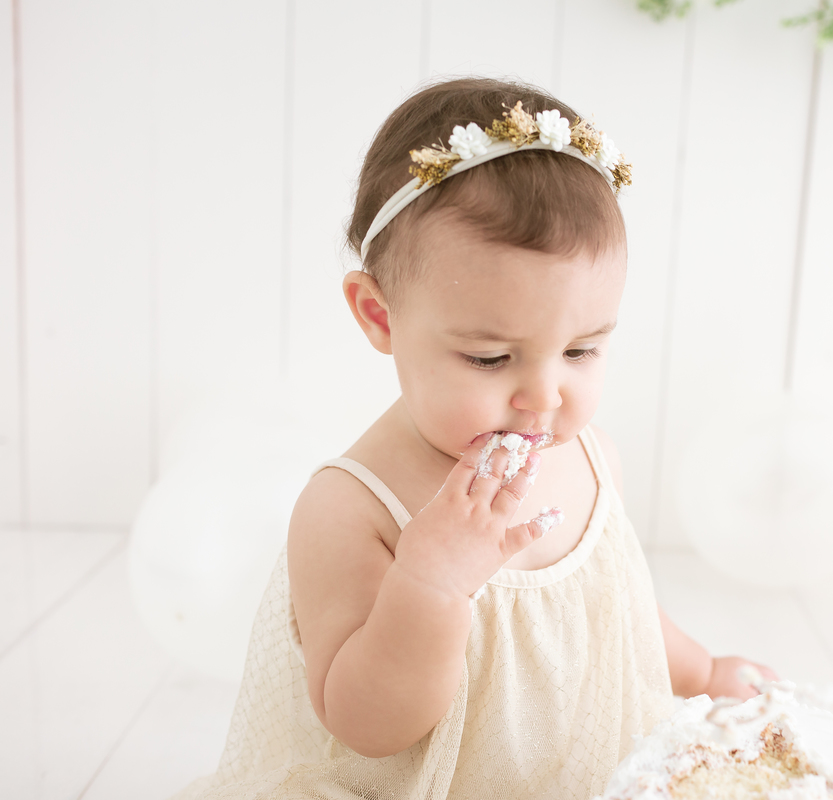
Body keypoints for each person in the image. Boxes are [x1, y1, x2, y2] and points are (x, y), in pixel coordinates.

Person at [173, 76, 774, 800]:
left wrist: (702, 674)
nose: (544, 396)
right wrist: (430, 581)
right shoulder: (350, 509)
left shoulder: (589, 459)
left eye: (581, 351)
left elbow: (620, 613)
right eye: (491, 358)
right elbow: (367, 723)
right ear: (380, 316)